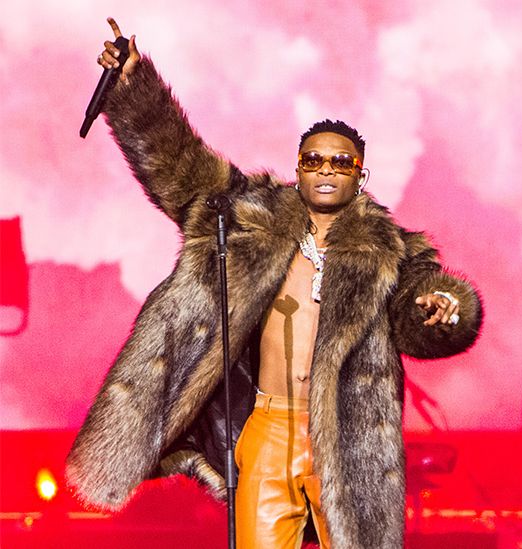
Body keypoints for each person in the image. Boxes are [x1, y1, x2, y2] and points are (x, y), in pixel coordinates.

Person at [66, 18, 483, 549]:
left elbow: (416, 306)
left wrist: (440, 307)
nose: (326, 169)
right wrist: (133, 87)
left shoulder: (393, 250)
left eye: (340, 161)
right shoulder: (251, 220)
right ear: (299, 169)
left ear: (360, 174)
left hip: (348, 435)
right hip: (267, 427)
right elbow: (182, 166)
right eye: (314, 159)